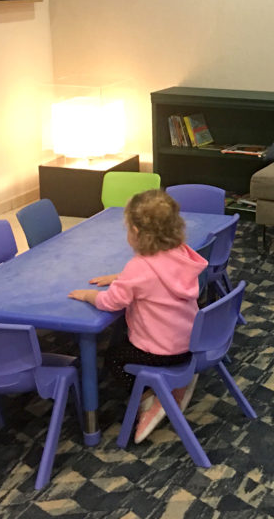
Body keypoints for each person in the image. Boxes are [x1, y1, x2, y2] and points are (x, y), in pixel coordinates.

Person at [68, 189, 208, 443]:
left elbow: (112, 302)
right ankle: (176, 383)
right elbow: (154, 279)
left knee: (113, 359)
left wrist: (88, 295)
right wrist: (121, 278)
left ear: (135, 232)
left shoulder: (139, 268)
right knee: (123, 338)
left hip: (159, 352)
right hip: (190, 344)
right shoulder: (181, 254)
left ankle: (149, 398)